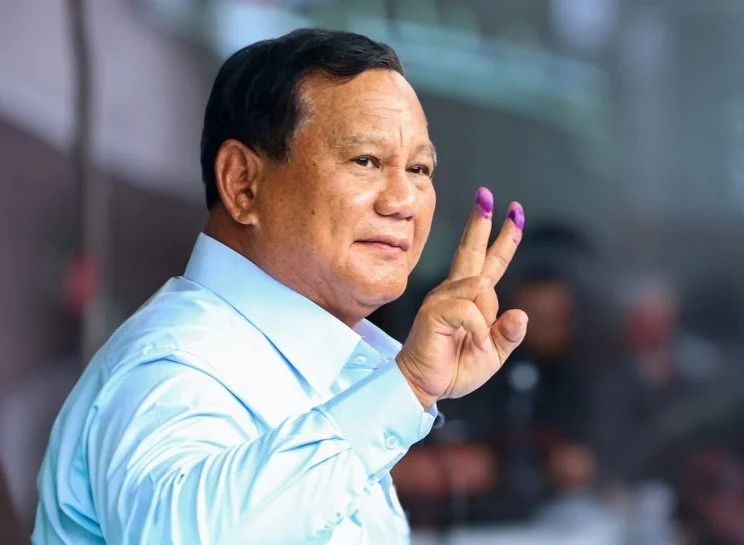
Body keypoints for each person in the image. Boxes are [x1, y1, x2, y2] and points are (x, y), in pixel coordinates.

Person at [32, 28, 528, 544]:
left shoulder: (332, 372)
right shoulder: (174, 364)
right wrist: (407, 389)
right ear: (243, 182)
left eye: (419, 168)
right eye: (366, 161)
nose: (403, 199)